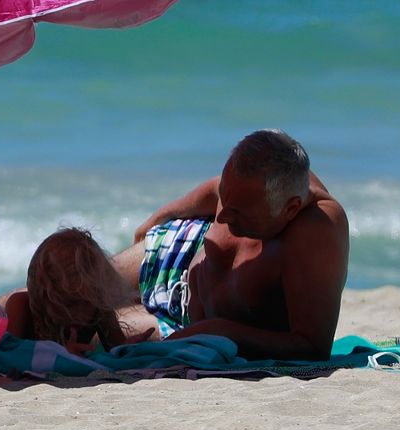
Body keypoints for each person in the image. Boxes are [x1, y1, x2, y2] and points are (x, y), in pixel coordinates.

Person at [111, 130, 348, 361]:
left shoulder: (316, 233)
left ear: (291, 209)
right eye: (225, 200)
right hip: (183, 248)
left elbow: (312, 347)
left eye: (237, 212)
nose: (222, 217)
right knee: (79, 278)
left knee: (91, 330)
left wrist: (217, 331)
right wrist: (163, 214)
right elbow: (217, 188)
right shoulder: (260, 180)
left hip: (181, 324)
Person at [3, 227, 158, 349]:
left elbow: (115, 347)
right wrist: (60, 356)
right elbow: (10, 353)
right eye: (71, 303)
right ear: (46, 295)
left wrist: (127, 347)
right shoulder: (22, 306)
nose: (81, 313)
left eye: (87, 300)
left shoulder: (96, 307)